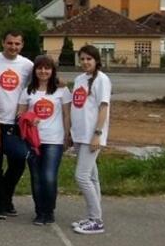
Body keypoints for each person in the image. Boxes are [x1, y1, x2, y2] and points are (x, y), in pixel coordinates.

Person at [0, 30, 34, 219]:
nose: (13, 47)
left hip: (15, 124)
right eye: (10, 43)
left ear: (22, 45)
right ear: (3, 43)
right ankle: (0, 204)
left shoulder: (27, 65)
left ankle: (5, 196)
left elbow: (39, 83)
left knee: (19, 161)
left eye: (17, 44)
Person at [17, 55, 71, 226]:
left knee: (49, 176)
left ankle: (49, 209)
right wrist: (29, 117)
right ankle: (40, 212)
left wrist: (67, 136)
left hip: (54, 140)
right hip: (33, 140)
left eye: (47, 68)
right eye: (40, 68)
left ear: (53, 70)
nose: (43, 71)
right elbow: (20, 114)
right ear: (35, 71)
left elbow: (66, 114)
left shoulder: (61, 90)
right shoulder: (28, 91)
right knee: (36, 177)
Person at [70, 45, 111, 235]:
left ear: (96, 61)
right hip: (79, 134)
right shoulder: (79, 79)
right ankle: (93, 215)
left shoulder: (102, 80)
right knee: (92, 178)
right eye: (83, 58)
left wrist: (98, 133)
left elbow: (103, 108)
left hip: (91, 137)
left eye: (89, 59)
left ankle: (96, 220)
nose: (86, 62)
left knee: (82, 176)